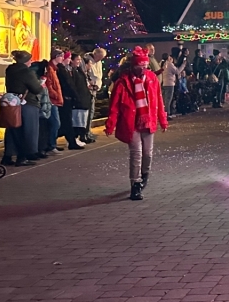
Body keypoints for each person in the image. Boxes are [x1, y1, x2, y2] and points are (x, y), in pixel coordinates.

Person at [105, 46, 168, 200]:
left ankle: (145, 174)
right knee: (136, 153)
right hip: (131, 122)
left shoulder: (152, 79)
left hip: (148, 120)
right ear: (133, 66)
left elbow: (159, 101)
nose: (143, 68)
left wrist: (163, 120)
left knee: (148, 153)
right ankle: (135, 184)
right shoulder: (123, 82)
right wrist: (111, 124)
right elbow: (114, 105)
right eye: (140, 66)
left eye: (145, 66)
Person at [4, 50, 45, 166]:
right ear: (26, 61)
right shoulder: (27, 72)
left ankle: (7, 156)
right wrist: (41, 83)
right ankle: (22, 157)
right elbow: (36, 89)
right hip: (27, 103)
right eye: (30, 60)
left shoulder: (10, 70)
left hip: (12, 102)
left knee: (12, 129)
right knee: (27, 131)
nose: (31, 62)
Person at [55, 52, 84, 150]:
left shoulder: (64, 69)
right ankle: (70, 142)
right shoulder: (61, 70)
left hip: (66, 98)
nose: (69, 60)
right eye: (68, 58)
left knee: (66, 122)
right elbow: (68, 84)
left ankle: (70, 141)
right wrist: (76, 96)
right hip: (64, 98)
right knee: (65, 121)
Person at [42, 52, 65, 153]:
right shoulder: (50, 69)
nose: (63, 58)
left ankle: (52, 144)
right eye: (61, 56)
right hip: (51, 100)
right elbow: (49, 84)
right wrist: (55, 95)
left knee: (54, 123)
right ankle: (51, 145)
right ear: (56, 57)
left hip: (54, 99)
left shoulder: (54, 69)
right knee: (55, 123)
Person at [69, 54, 94, 146]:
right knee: (76, 120)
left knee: (82, 120)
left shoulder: (79, 70)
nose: (79, 61)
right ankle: (75, 138)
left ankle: (80, 136)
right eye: (77, 59)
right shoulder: (72, 71)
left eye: (80, 60)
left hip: (83, 98)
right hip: (78, 99)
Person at [83, 47, 107, 140]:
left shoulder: (99, 62)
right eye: (99, 57)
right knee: (88, 111)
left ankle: (88, 131)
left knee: (91, 111)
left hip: (95, 89)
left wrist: (98, 86)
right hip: (89, 89)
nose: (100, 60)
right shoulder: (87, 61)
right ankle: (85, 132)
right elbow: (89, 75)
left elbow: (99, 76)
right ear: (95, 54)